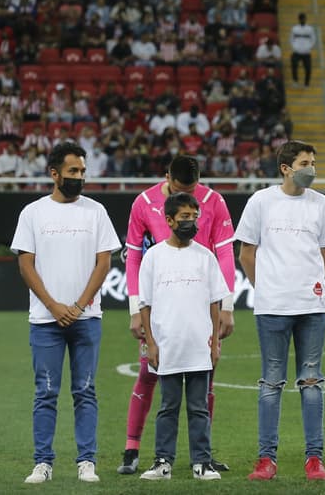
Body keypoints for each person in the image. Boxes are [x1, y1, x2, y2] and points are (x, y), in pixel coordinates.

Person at [12, 141, 120, 485]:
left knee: (85, 391)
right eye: (73, 171)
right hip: (45, 320)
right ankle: (43, 463)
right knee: (45, 392)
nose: (79, 177)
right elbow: (25, 264)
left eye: (83, 172)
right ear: (54, 173)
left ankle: (86, 461)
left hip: (86, 319)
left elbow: (104, 263)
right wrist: (55, 306)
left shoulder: (96, 211)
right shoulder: (32, 213)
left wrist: (77, 306)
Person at [120, 156, 236, 476]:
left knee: (203, 381)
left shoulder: (214, 202)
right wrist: (134, 310)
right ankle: (133, 449)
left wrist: (227, 304)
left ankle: (203, 456)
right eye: (181, 190)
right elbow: (133, 255)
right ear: (167, 177)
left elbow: (224, 251)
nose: (189, 197)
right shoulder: (143, 203)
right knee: (150, 375)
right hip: (162, 306)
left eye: (192, 191)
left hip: (198, 301)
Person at [236, 140, 325, 482]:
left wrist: (309, 282)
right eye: (304, 162)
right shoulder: (261, 202)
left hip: (311, 307)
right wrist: (266, 287)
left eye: (313, 162)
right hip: (272, 307)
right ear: (285, 167)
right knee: (271, 382)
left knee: (311, 382)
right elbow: (246, 254)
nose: (311, 168)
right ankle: (266, 460)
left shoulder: (321, 204)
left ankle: (315, 459)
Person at [290, 12, 316, 87]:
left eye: (304, 19)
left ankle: (306, 83)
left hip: (306, 52)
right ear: (299, 20)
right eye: (301, 19)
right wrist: (294, 47)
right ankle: (295, 81)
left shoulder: (310, 29)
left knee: (308, 68)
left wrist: (309, 47)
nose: (303, 20)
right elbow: (291, 39)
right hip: (296, 52)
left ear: (305, 19)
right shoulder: (294, 28)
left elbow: (313, 39)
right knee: (294, 66)